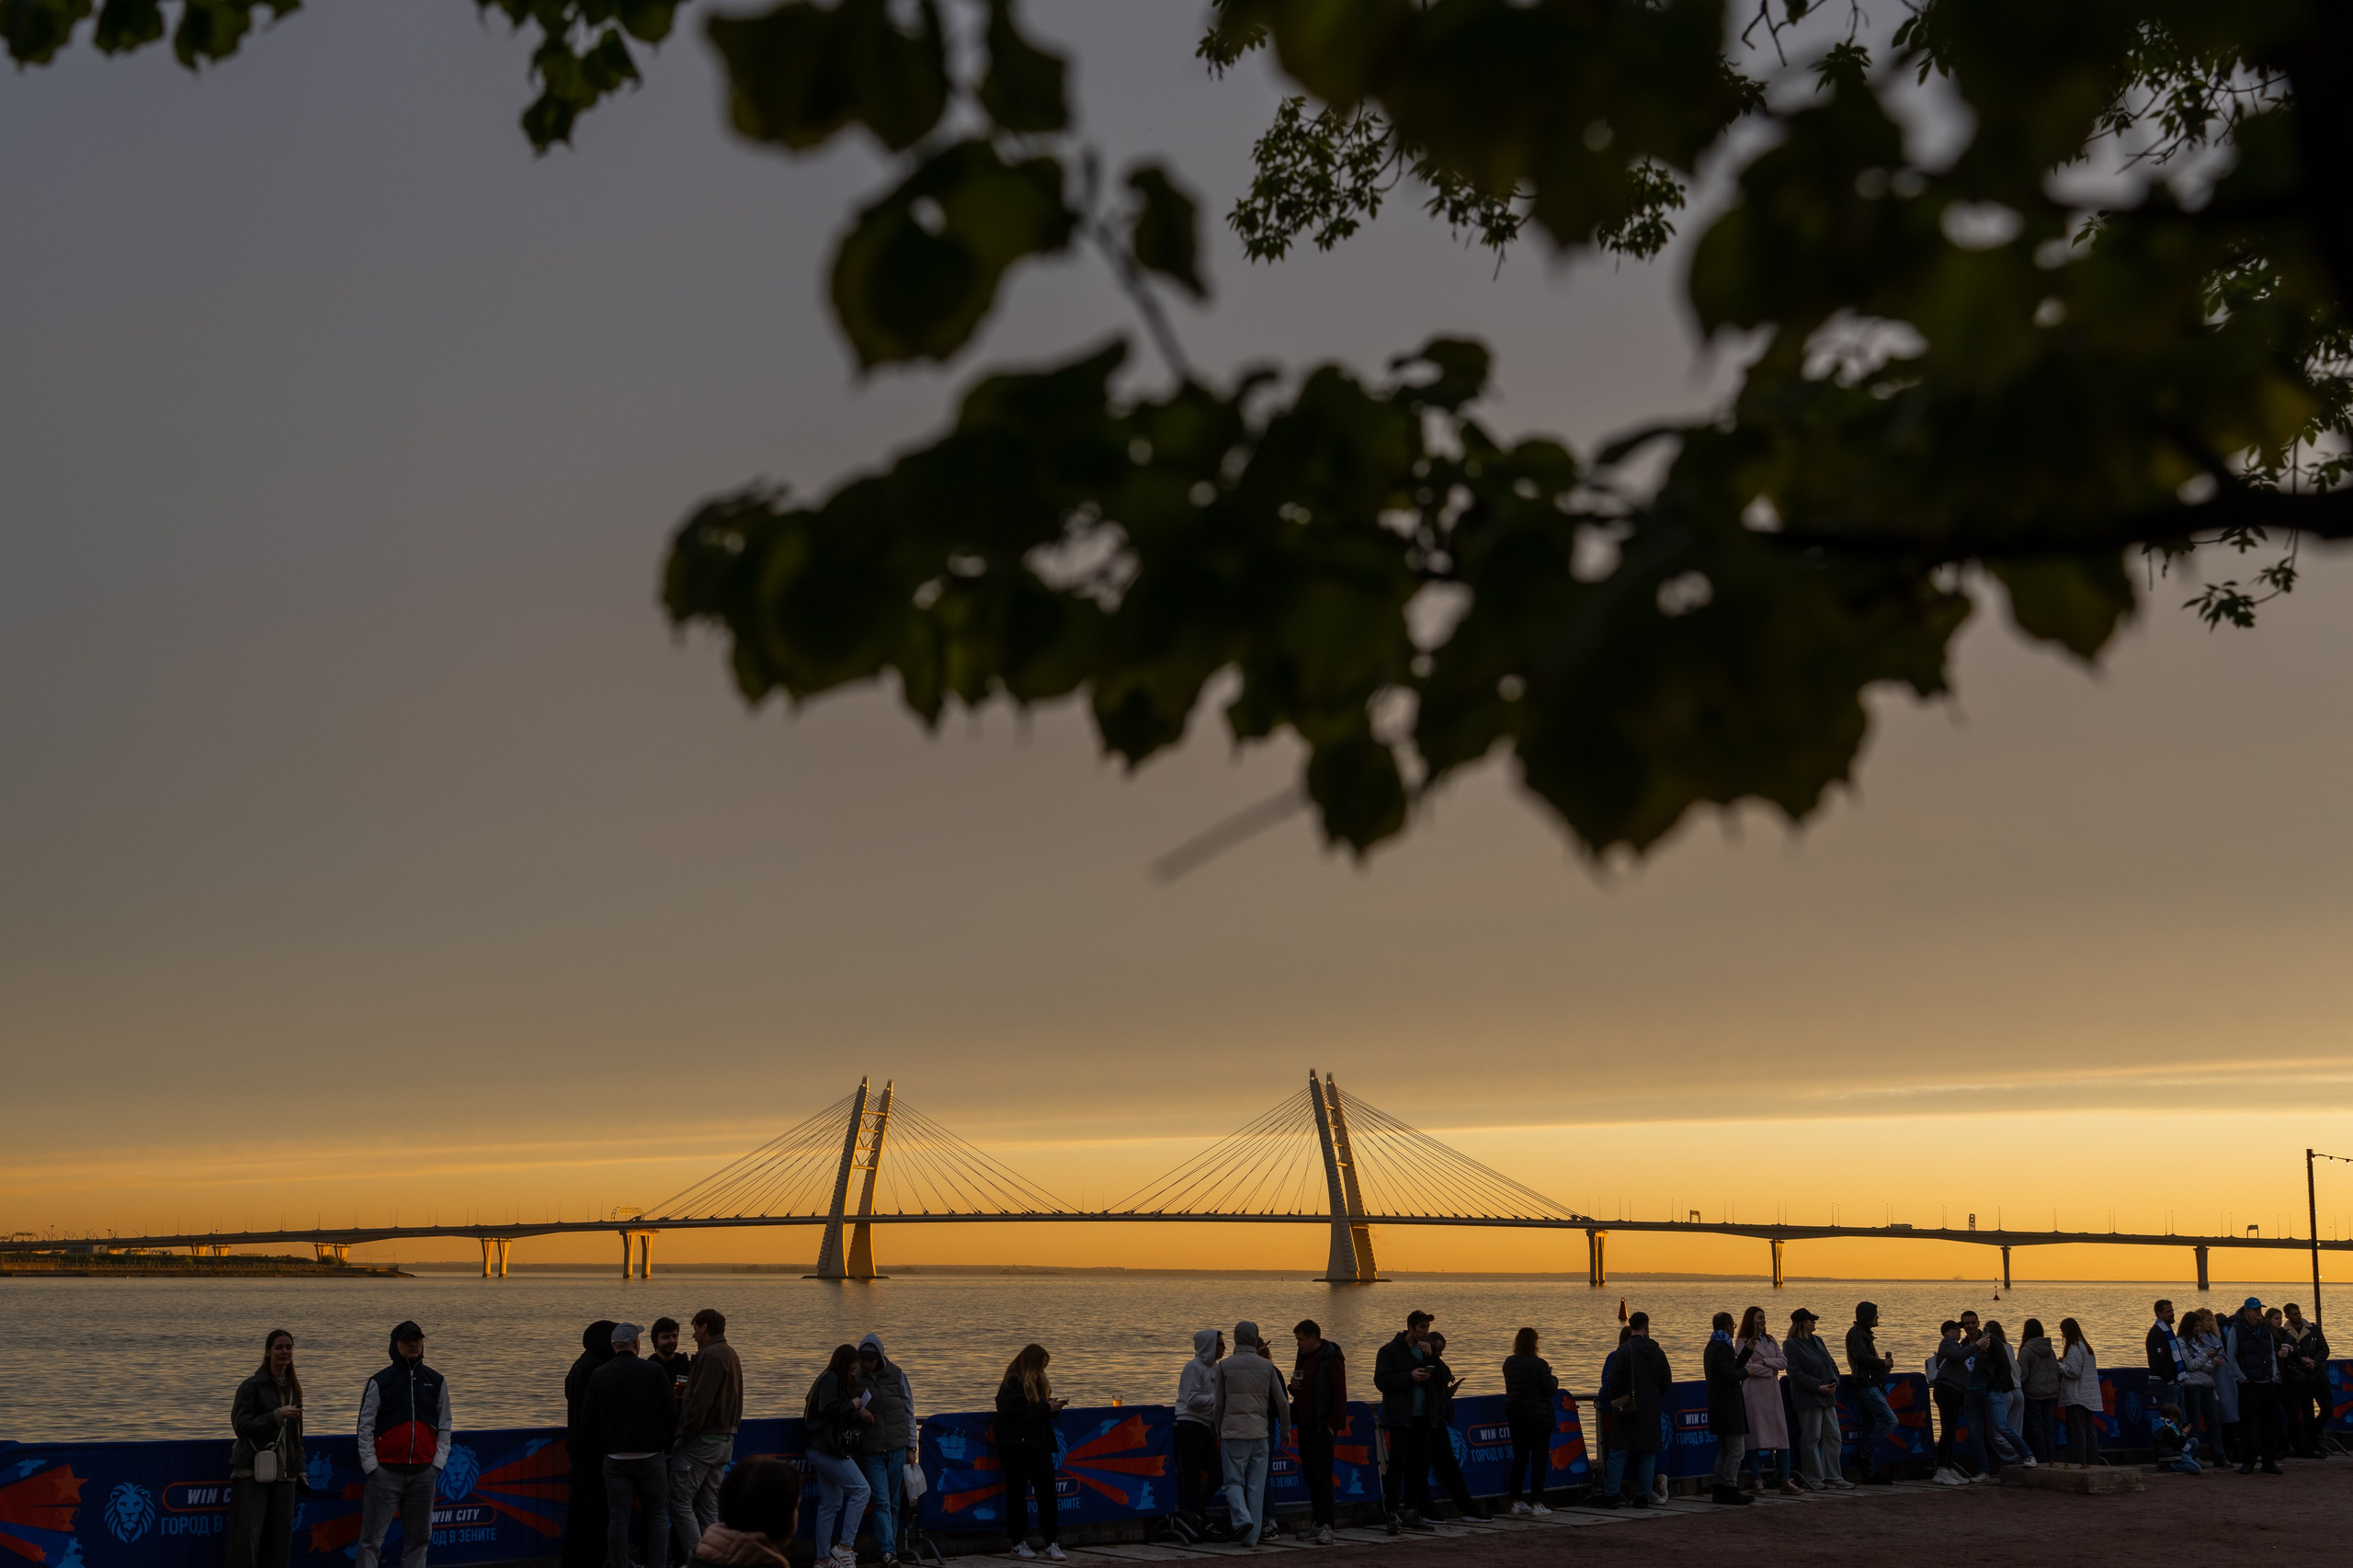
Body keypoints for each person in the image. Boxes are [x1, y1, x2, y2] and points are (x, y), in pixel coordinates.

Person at [357, 1320, 450, 1568]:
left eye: (417, 1339)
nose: (413, 1344)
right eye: (407, 1340)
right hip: (385, 1474)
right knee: (371, 1540)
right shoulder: (380, 1381)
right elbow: (365, 1426)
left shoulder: (437, 1381)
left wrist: (437, 1464)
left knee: (420, 1538)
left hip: (423, 1474)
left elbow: (445, 1425)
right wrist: (371, 1466)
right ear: (395, 1344)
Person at [585, 1323, 677, 1568]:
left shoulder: (599, 1374)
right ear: (637, 1344)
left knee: (617, 1519)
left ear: (614, 1346)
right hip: (651, 1456)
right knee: (658, 1515)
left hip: (615, 1458)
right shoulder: (654, 1371)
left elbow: (588, 1419)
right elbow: (671, 1413)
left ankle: (619, 1565)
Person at [228, 1328, 305, 1568]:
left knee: (280, 1543)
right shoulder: (251, 1386)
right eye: (279, 1347)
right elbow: (241, 1427)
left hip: (285, 1474)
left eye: (289, 1347)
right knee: (246, 1541)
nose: (285, 1352)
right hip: (252, 1472)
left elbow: (297, 1435)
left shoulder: (294, 1387)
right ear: (267, 1352)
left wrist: (299, 1468)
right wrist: (275, 1416)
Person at [674, 1309, 744, 1562]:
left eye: (694, 1329)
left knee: (680, 1503)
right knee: (707, 1508)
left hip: (703, 1441)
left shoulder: (711, 1355)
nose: (692, 1335)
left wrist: (684, 1437)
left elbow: (700, 1403)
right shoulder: (730, 1354)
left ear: (703, 1327)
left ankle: (698, 1560)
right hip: (725, 1442)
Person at [1211, 1322, 1290, 1545]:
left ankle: (1242, 1519)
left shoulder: (1224, 1366)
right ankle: (1252, 1537)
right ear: (1255, 1338)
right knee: (1257, 1486)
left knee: (1233, 1483)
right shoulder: (1266, 1366)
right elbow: (1283, 1403)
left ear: (1236, 1338)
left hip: (1233, 1433)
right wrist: (1285, 1429)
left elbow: (1218, 1405)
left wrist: (1219, 1429)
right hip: (1260, 1434)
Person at [805, 1344, 875, 1568]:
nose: (854, 1372)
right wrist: (853, 1404)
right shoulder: (831, 1379)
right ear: (844, 1365)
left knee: (831, 1503)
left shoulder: (827, 1378)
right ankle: (844, 1548)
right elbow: (828, 1408)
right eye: (852, 1368)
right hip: (828, 1448)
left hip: (819, 1448)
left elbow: (827, 1411)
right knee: (861, 1490)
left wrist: (855, 1410)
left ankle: (822, 1559)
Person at [995, 1344, 1066, 1560]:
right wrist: (1046, 1408)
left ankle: (1051, 1541)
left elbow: (1035, 1410)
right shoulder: (1012, 1383)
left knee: (1047, 1494)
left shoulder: (1038, 1382)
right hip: (1016, 1447)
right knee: (1017, 1495)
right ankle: (1017, 1542)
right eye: (1041, 1366)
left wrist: (1050, 1407)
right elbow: (1017, 1412)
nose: (1043, 1371)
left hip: (1039, 1445)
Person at [1372, 1311, 1440, 1532]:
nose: (1425, 1332)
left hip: (1423, 1418)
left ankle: (1412, 1510)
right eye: (1422, 1327)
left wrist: (1433, 1358)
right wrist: (1409, 1377)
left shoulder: (1427, 1351)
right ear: (1410, 1327)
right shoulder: (1389, 1351)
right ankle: (1391, 1511)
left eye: (1427, 1328)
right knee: (1397, 1466)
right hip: (1401, 1418)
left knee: (1418, 1466)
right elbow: (1381, 1381)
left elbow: (1444, 1377)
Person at [1596, 1313, 1671, 1508]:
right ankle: (1643, 1496)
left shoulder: (1624, 1350)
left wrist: (1620, 1399)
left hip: (1627, 1408)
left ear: (1630, 1327)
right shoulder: (1657, 1351)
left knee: (1619, 1452)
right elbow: (1666, 1381)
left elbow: (1612, 1380)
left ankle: (1611, 1493)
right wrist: (1653, 1396)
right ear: (1647, 1326)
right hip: (1651, 1408)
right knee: (1647, 1453)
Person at [855, 1335, 917, 1568]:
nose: (864, 1364)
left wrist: (912, 1446)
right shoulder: (855, 1377)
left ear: (879, 1358)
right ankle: (888, 1551)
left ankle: (890, 1548)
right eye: (862, 1359)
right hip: (871, 1450)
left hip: (897, 1447)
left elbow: (909, 1409)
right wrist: (858, 1411)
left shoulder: (897, 1375)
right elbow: (847, 1402)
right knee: (880, 1500)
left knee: (893, 1501)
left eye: (869, 1360)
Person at [563, 1322, 620, 1568]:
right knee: (594, 1514)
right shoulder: (597, 1368)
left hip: (578, 1449)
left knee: (579, 1512)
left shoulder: (580, 1364)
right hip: (593, 1452)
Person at [1417, 1333, 1488, 1521]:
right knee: (1422, 1467)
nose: (1440, 1355)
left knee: (1449, 1466)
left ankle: (1466, 1507)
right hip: (1421, 1421)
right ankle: (1425, 1509)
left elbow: (1443, 1376)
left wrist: (1445, 1394)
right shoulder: (1415, 1359)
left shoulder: (1437, 1364)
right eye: (1438, 1351)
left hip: (1435, 1419)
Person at [1290, 1320, 1347, 1545]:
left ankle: (1327, 1525)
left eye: (1301, 1339)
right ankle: (1317, 1521)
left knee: (1323, 1478)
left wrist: (1332, 1425)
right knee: (1310, 1477)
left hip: (1322, 1427)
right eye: (1297, 1340)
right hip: (1304, 1425)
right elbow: (1300, 1386)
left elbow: (1339, 1393)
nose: (1299, 1344)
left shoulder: (1331, 1358)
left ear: (1314, 1337)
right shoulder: (1303, 1355)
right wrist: (1292, 1388)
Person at [690, 1456, 801, 1567]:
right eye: (795, 1507)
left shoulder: (701, 1555)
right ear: (779, 1517)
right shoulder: (768, 1562)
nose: (797, 1515)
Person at [1731, 1307, 1796, 1495]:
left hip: (1773, 1393)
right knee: (1754, 1436)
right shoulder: (1742, 1342)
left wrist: (1764, 1363)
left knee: (1781, 1437)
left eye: (1764, 1317)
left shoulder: (1771, 1339)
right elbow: (1747, 1367)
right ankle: (1757, 1479)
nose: (1763, 1320)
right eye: (1759, 1317)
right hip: (1754, 1393)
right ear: (1750, 1320)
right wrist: (1769, 1368)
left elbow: (1783, 1362)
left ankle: (1785, 1478)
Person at [649, 1319, 697, 1564]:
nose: (672, 1341)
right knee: (655, 1509)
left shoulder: (686, 1365)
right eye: (666, 1337)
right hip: (657, 1446)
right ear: (655, 1340)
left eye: (675, 1336)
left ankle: (681, 1559)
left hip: (684, 1444)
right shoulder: (649, 1366)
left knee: (683, 1506)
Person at [1783, 1309, 1847, 1491]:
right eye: (1812, 1320)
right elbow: (1794, 1373)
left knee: (1834, 1436)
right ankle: (1813, 1477)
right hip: (1809, 1398)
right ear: (1803, 1323)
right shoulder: (1791, 1344)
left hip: (1827, 1397)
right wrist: (1817, 1386)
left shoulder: (1818, 1341)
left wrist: (1834, 1381)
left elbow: (1831, 1363)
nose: (1815, 1323)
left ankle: (1833, 1476)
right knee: (1812, 1438)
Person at [1173, 1330, 1225, 1539]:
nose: (1224, 1348)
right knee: (1193, 1476)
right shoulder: (1193, 1368)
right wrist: (1217, 1398)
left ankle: (1195, 1515)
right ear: (1209, 1346)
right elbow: (1191, 1400)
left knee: (1218, 1474)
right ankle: (1195, 1518)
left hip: (1204, 1426)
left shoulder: (1216, 1368)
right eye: (1220, 1344)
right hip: (1189, 1425)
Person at [1500, 1326, 1557, 1515]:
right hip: (1539, 1418)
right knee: (1539, 1460)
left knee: (1520, 1458)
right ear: (1535, 1343)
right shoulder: (1540, 1364)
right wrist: (1553, 1377)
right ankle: (1537, 1502)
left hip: (1517, 1417)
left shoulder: (1508, 1363)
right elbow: (1549, 1389)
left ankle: (1515, 1500)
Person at [1702, 1312, 1756, 1506]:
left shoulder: (1714, 1346)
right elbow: (1729, 1375)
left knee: (1725, 1451)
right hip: (1728, 1406)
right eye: (1733, 1325)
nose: (1734, 1328)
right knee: (1736, 1452)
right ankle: (1730, 1488)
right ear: (1728, 1326)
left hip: (1719, 1405)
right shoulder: (1720, 1348)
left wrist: (1746, 1352)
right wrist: (1746, 1372)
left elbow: (1729, 1367)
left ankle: (1719, 1489)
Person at [1843, 1302, 1897, 1485]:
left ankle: (1869, 1471)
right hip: (1865, 1385)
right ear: (1868, 1316)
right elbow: (1861, 1356)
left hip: (1870, 1383)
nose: (1878, 1318)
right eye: (1875, 1315)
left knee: (1870, 1427)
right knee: (1890, 1420)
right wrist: (1882, 1363)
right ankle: (1864, 1456)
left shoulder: (1862, 1333)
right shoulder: (1857, 1333)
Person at [2231, 1298, 2286, 1475]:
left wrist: (2273, 1373)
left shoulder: (2265, 1328)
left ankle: (2269, 1462)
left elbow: (2271, 1354)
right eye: (2255, 1310)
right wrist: (2242, 1378)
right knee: (2248, 1424)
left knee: (2271, 1423)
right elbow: (2230, 1356)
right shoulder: (2236, 1329)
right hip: (2249, 1384)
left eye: (2259, 1310)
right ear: (2247, 1311)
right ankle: (2248, 1462)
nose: (2258, 1313)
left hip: (2267, 1381)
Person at [1974, 1322, 2035, 1472]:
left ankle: (2014, 1458)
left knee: (1996, 1433)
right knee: (2014, 1430)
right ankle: (2018, 1457)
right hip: (2018, 1390)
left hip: (2004, 1391)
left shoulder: (1991, 1348)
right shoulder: (2008, 1346)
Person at [1928, 1321, 1974, 1485]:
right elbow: (1959, 1356)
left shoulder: (1956, 1346)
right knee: (1947, 1430)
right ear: (1946, 1332)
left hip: (1954, 1391)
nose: (1959, 1332)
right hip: (1946, 1390)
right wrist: (1977, 1346)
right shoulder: (1947, 1343)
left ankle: (1948, 1467)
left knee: (1951, 1430)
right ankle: (1941, 1469)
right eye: (1956, 1329)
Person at [2178, 1309, 2226, 1466]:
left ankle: (2219, 1456)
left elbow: (2209, 1365)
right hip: (2192, 1386)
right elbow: (2190, 1365)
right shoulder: (2181, 1342)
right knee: (2194, 1422)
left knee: (2214, 1422)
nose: (2198, 1329)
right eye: (2195, 1326)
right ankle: (2194, 1454)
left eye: (2199, 1325)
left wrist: (2207, 1361)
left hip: (2207, 1384)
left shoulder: (2200, 1342)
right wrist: (2206, 1358)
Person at [2282, 1303, 2329, 1459]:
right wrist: (2303, 1362)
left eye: (2299, 1313)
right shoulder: (2285, 1333)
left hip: (2318, 1375)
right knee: (2307, 1413)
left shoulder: (2313, 1329)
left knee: (2328, 1409)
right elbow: (2289, 1355)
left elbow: (2324, 1349)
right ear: (2287, 1316)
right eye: (2294, 1314)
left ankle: (2312, 1436)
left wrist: (2313, 1362)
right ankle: (2311, 1442)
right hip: (2302, 1378)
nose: (2298, 1316)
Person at [2055, 1318, 2101, 1470]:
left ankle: (2079, 1461)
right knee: (2089, 1431)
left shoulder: (2074, 1348)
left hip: (2077, 1396)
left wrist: (2060, 1365)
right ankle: (2093, 1461)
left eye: (2062, 1332)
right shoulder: (2086, 1347)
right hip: (2089, 1395)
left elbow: (2074, 1372)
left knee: (2078, 1432)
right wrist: (2066, 1361)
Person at [2016, 1319, 2060, 1464]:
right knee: (2048, 1428)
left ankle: (2040, 1459)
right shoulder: (2049, 1348)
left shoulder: (2027, 1350)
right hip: (2050, 1393)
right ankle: (2050, 1458)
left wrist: (2015, 1386)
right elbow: (2055, 1369)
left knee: (2036, 1429)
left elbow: (2022, 1374)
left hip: (2033, 1394)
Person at [2145, 1300, 2185, 1423]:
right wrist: (2170, 1381)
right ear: (2159, 1313)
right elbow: (2158, 1360)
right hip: (2164, 1383)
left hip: (2173, 1382)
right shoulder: (2157, 1332)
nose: (2172, 1314)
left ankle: (2180, 1440)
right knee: (2171, 1419)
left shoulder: (2167, 1330)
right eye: (2168, 1311)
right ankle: (2171, 1441)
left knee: (2180, 1418)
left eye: (2172, 1311)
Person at [2152, 1403, 2200, 1475]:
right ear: (2171, 1417)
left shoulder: (2164, 1423)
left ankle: (2186, 1462)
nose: (2176, 1420)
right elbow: (2178, 1446)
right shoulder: (2166, 1430)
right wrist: (2184, 1433)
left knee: (2194, 1441)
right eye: (2176, 1418)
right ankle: (2167, 1466)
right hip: (2170, 1455)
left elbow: (2174, 1442)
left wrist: (2180, 1431)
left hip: (2173, 1450)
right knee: (2197, 1469)